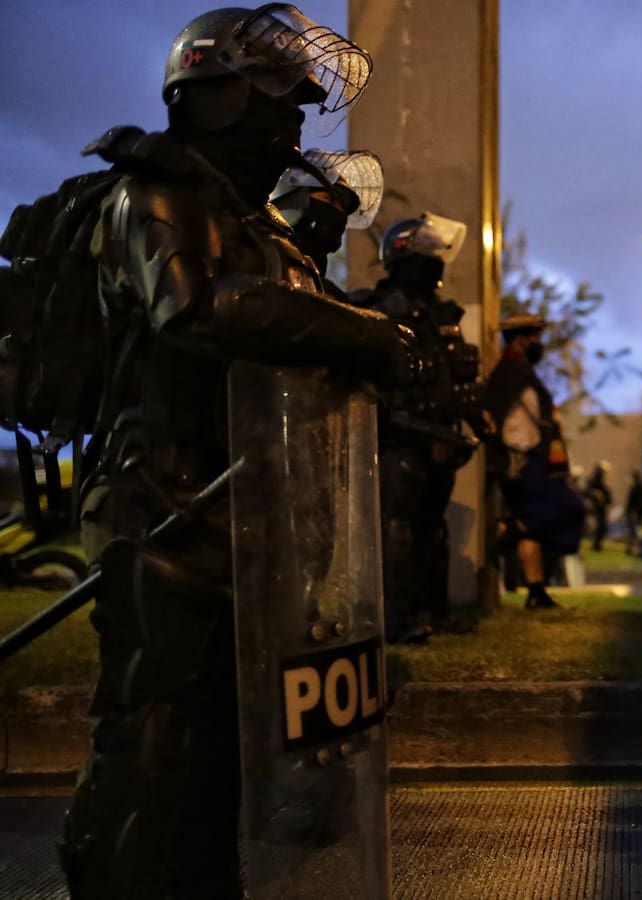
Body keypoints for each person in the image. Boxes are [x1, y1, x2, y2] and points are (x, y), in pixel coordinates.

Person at [52, 7, 417, 898]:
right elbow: (198, 309)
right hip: (163, 506)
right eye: (273, 97)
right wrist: (358, 331)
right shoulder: (156, 190)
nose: (293, 118)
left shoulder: (260, 226)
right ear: (208, 95)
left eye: (298, 101)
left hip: (241, 510)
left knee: (227, 741)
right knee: (157, 733)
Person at [350, 213, 484, 643]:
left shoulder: (441, 313)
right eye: (427, 253)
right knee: (397, 525)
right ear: (404, 254)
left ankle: (433, 612)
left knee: (433, 525)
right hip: (402, 436)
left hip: (441, 436)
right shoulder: (380, 308)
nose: (436, 262)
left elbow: (457, 375)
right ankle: (397, 618)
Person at [483, 313, 584, 609]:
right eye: (534, 338)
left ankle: (535, 589)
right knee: (569, 509)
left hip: (536, 463)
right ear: (519, 340)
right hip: (523, 465)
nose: (538, 344)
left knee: (533, 526)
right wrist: (520, 454)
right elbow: (505, 423)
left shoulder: (525, 374)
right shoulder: (507, 376)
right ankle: (512, 531)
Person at [584, 461, 613, 551]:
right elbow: (591, 489)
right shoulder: (596, 478)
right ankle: (597, 545)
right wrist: (597, 494)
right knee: (601, 525)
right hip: (599, 506)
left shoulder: (596, 479)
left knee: (601, 525)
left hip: (600, 505)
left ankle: (597, 545)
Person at [624, 470, 642, 557]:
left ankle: (641, 551)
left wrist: (630, 511)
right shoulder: (640, 487)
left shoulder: (636, 487)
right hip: (639, 514)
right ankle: (638, 550)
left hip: (636, 514)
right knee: (638, 532)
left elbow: (632, 502)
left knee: (637, 532)